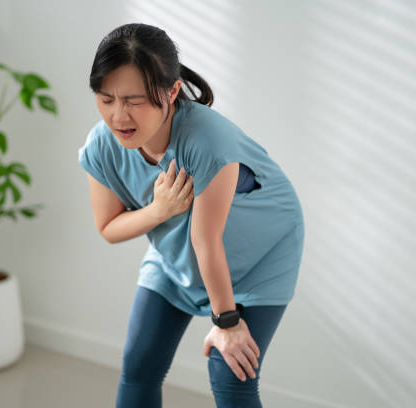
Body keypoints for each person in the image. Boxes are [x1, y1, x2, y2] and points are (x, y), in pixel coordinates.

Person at [78, 23, 305, 408]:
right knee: (139, 362)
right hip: (177, 252)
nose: (118, 116)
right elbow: (108, 228)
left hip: (260, 255)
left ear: (171, 91)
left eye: (134, 100)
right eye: (106, 98)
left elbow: (206, 240)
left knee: (229, 372)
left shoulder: (207, 140)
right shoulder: (102, 145)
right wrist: (158, 210)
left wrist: (227, 323)